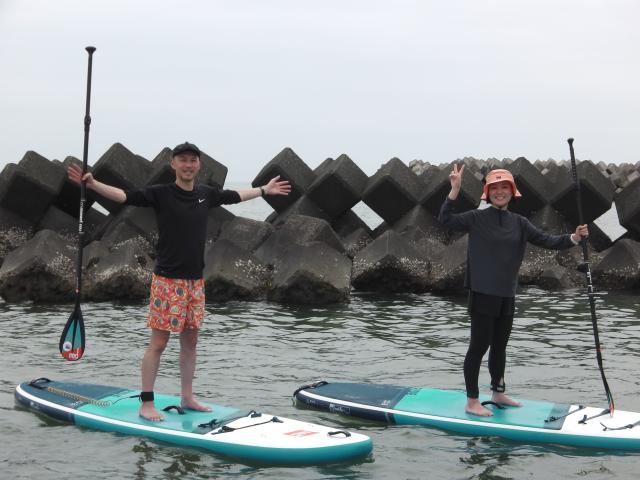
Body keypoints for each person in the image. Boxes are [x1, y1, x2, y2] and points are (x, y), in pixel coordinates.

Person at [68, 142, 291, 421]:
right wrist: (93, 185)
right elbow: (125, 196)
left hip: (195, 282)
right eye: (182, 160)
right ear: (173, 164)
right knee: (159, 343)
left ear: (199, 165)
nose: (188, 165)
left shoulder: (205, 194)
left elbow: (234, 196)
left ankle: (187, 396)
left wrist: (263, 190)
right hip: (167, 280)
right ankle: (146, 403)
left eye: (192, 160)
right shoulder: (161, 194)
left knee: (191, 341)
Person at [438, 164, 589, 417]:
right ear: (487, 193)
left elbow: (548, 241)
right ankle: (472, 401)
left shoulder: (520, 223)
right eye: (494, 188)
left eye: (504, 187)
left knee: (500, 346)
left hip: (507, 293)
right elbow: (445, 220)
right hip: (483, 292)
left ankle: (498, 393)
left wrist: (574, 238)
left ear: (512, 192)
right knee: (478, 347)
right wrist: (454, 190)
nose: (499, 192)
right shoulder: (476, 218)